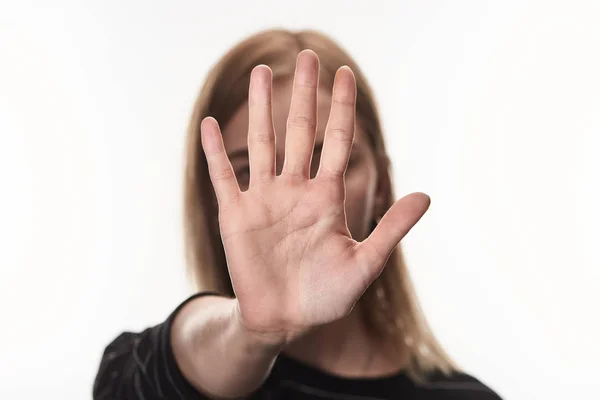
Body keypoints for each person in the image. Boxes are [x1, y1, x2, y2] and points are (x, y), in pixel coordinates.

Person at [93, 28, 502, 399]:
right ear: (211, 202)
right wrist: (251, 333)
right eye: (249, 169)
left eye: (331, 163)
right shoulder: (148, 380)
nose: (296, 198)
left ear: (382, 187)